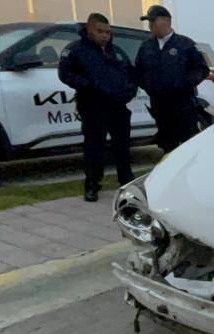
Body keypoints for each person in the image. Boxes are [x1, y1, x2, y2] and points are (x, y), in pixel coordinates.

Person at [58, 13, 136, 202]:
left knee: (122, 146)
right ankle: (92, 185)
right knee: (94, 147)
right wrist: (88, 85)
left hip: (117, 105)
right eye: (100, 31)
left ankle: (126, 181)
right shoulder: (76, 50)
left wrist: (129, 91)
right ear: (89, 29)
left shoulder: (116, 51)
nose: (105, 36)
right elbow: (65, 74)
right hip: (93, 105)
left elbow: (130, 74)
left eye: (108, 32)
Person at [135, 5, 209, 153]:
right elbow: (138, 72)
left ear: (167, 20)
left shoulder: (185, 44)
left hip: (184, 106)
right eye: (149, 22)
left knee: (189, 148)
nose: (150, 25)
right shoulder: (146, 47)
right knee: (168, 149)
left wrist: (184, 83)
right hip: (160, 108)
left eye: (153, 21)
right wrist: (149, 86)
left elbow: (202, 69)